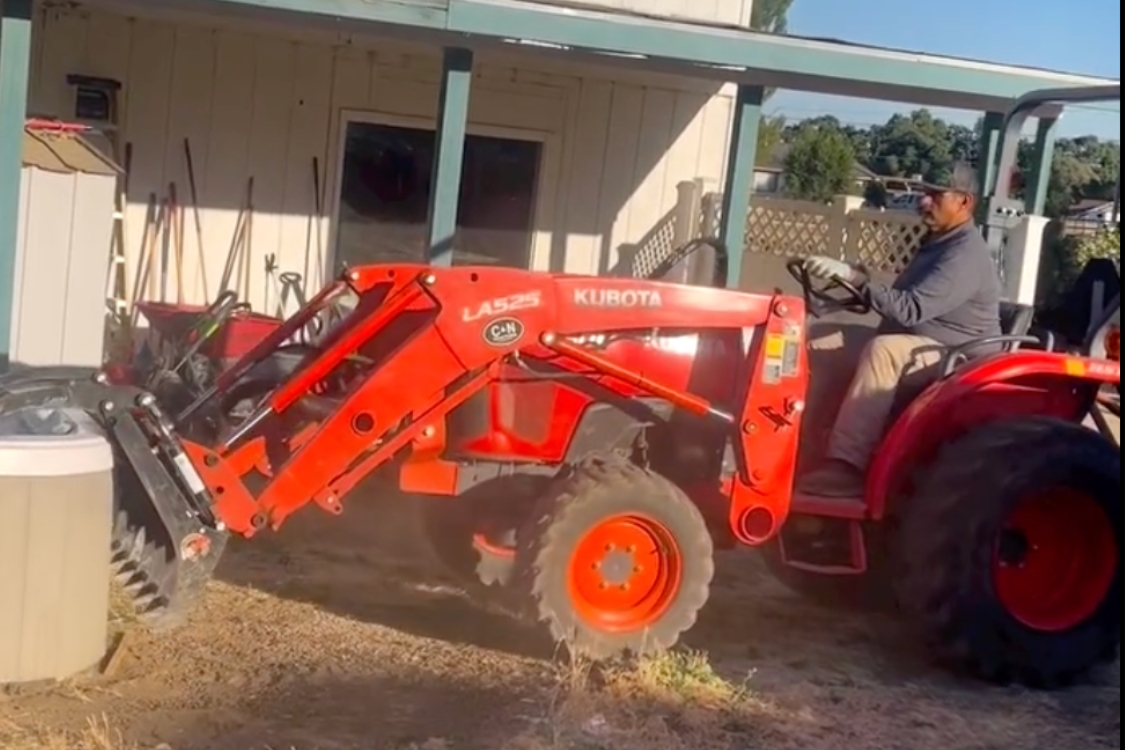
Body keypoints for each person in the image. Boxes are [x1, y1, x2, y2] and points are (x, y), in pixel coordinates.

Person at [798, 163, 1002, 497]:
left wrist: (855, 279)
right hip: (921, 341)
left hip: (957, 358)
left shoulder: (963, 255)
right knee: (814, 338)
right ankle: (799, 442)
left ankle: (846, 467)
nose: (923, 201)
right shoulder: (939, 243)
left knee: (884, 352)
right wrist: (854, 275)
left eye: (935, 195)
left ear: (964, 202)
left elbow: (910, 308)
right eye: (924, 193)